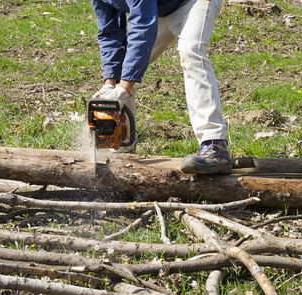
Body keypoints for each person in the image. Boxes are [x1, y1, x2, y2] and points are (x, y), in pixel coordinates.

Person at [91, 0, 232, 175]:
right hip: (157, 10)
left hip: (192, 3)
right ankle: (122, 147)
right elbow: (108, 32)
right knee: (123, 69)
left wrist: (125, 87)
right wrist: (110, 83)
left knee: (191, 52)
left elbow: (142, 24)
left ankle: (215, 145)